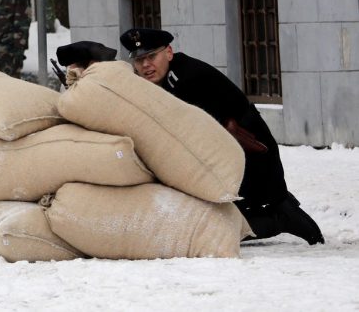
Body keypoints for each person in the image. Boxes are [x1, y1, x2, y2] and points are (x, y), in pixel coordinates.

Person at [120, 27, 324, 245]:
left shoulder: (184, 79)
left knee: (215, 230)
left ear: (168, 53)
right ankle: (279, 211)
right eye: (139, 60)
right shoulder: (171, 76)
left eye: (152, 56)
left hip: (249, 155)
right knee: (226, 219)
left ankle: (279, 219)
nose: (145, 65)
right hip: (236, 159)